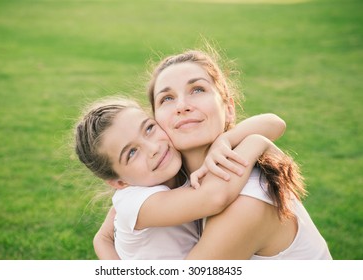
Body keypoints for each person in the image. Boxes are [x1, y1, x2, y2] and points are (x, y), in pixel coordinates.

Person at [95, 48, 332, 259]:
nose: (182, 106)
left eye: (197, 89)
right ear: (156, 120)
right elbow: (104, 236)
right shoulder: (169, 179)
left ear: (228, 110)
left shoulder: (246, 202)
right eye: (167, 98)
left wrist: (252, 141)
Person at [75, 97, 287, 259]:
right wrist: (256, 143)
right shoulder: (136, 201)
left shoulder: (173, 170)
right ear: (119, 183)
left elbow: (276, 123)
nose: (153, 149)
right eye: (131, 153)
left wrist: (226, 139)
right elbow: (214, 197)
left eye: (149, 128)